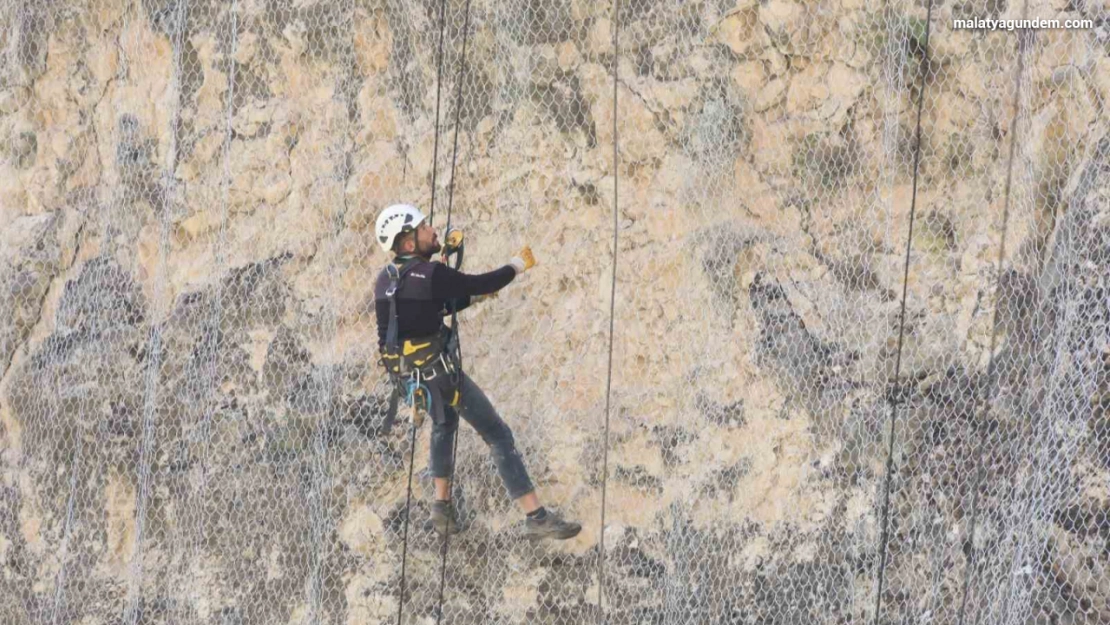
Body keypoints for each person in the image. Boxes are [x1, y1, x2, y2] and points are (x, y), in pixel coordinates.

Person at [373, 203, 581, 541]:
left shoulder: (387, 279)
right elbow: (480, 282)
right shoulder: (432, 275)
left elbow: (427, 310)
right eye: (425, 228)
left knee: (445, 423)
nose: (433, 231)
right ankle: (535, 515)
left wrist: (474, 298)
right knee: (497, 434)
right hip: (440, 375)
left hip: (413, 380)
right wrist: (516, 266)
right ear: (409, 243)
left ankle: (441, 508)